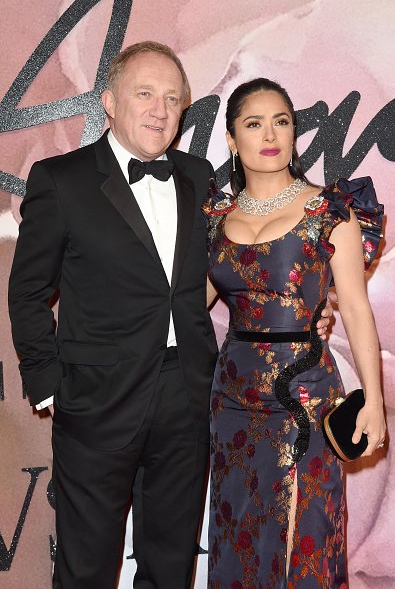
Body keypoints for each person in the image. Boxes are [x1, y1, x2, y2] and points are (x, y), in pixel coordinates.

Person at [8, 42, 330, 589]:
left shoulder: (199, 177)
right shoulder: (61, 180)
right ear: (108, 102)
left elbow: (238, 269)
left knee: (171, 565)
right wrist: (49, 385)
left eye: (173, 99)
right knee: (85, 569)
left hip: (188, 399)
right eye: (145, 94)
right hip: (96, 404)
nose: (160, 109)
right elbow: (27, 291)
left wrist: (304, 315)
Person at [203, 78, 386, 588]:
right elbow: (190, 306)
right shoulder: (214, 218)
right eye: (254, 123)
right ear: (233, 140)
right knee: (237, 527)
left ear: (294, 133)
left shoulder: (329, 210)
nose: (270, 134)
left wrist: (373, 399)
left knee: (303, 528)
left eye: (281, 121)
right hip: (233, 397)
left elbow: (354, 307)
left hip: (305, 393)